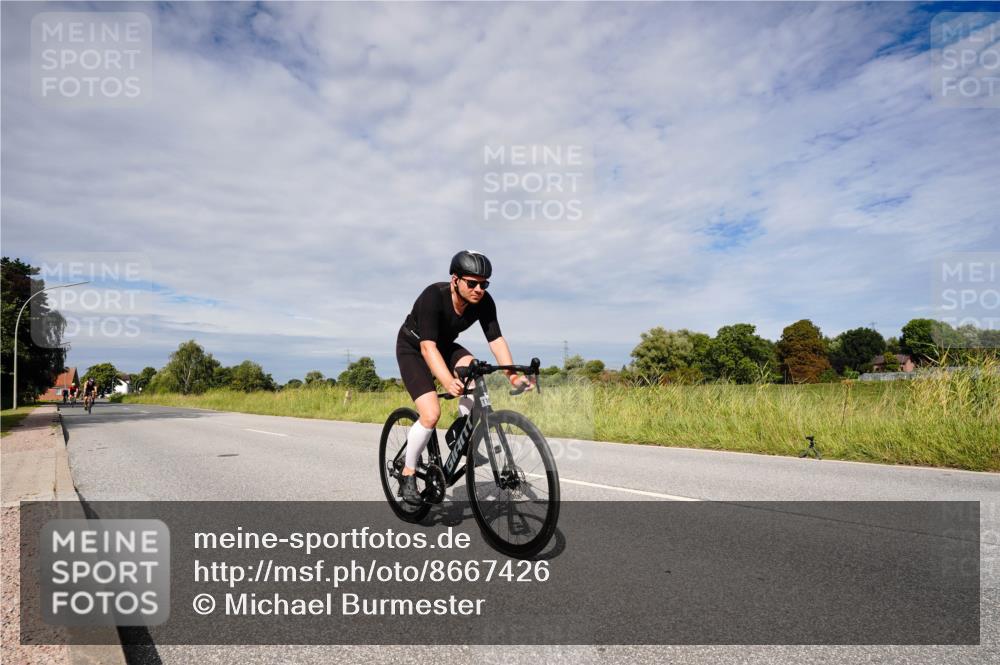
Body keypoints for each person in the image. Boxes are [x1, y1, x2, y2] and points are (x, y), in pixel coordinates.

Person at [395, 250, 533, 506]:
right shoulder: (433, 296)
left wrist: (512, 376)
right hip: (414, 347)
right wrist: (447, 381)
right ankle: (408, 473)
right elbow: (427, 348)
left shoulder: (484, 301)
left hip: (445, 346)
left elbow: (497, 340)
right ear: (455, 280)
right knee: (430, 414)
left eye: (484, 284)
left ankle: (460, 429)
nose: (479, 289)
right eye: (472, 283)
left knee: (476, 370)